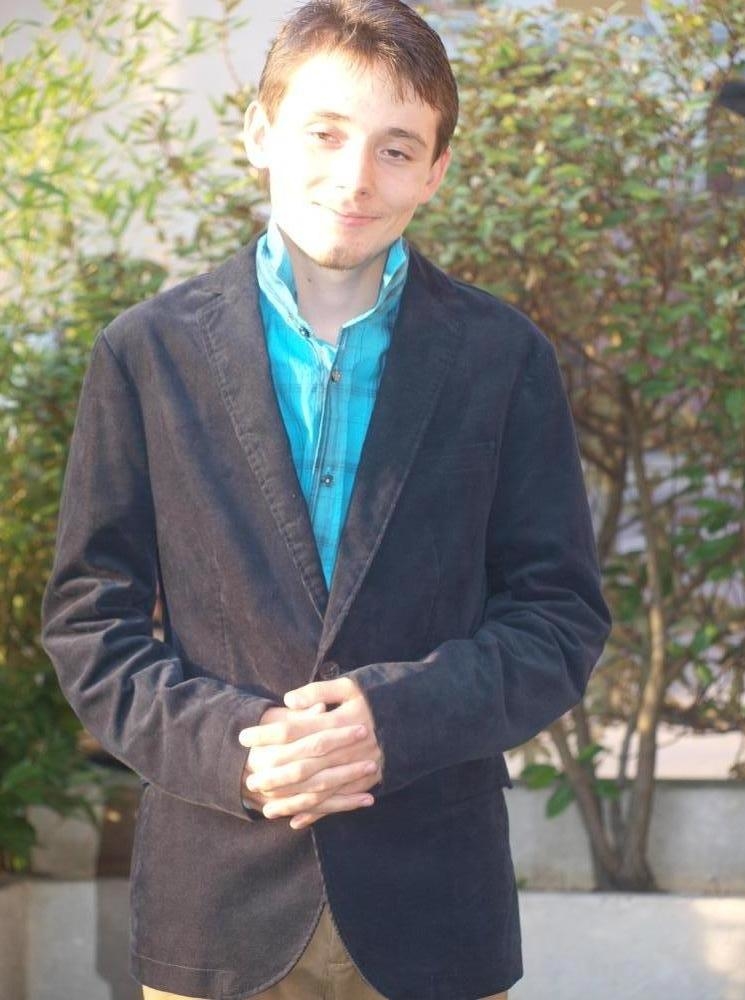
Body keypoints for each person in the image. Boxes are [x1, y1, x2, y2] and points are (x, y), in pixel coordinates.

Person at [41, 1, 611, 998]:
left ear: (436, 171)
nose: (355, 179)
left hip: (436, 903)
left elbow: (558, 619)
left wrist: (397, 719)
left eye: (397, 148)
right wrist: (240, 750)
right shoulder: (146, 354)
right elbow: (91, 625)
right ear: (259, 134)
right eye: (326, 133)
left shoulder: (504, 357)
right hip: (215, 906)